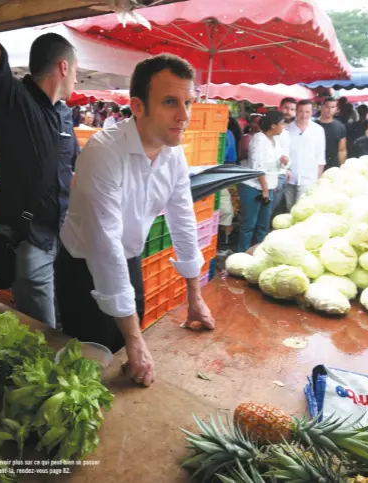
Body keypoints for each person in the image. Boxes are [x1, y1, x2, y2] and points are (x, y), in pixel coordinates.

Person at [56, 54, 215, 387]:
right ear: (138, 107)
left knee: (129, 349)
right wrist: (134, 339)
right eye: (171, 102)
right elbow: (104, 244)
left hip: (128, 257)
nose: (184, 116)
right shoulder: (104, 151)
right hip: (83, 265)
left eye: (188, 102)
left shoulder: (173, 154)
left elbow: (183, 219)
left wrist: (194, 295)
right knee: (90, 361)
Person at [0, 0, 78, 329]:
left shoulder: (64, 116)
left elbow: (74, 173)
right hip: (29, 244)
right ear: (64, 67)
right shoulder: (12, 99)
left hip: (61, 240)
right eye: (77, 71)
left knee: (62, 325)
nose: (77, 81)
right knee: (42, 332)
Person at [238, 111, 288, 253]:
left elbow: (278, 165)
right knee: (249, 225)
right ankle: (242, 254)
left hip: (269, 186)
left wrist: (284, 162)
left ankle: (258, 254)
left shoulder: (275, 142)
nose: (283, 127)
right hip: (253, 187)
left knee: (262, 225)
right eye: (282, 123)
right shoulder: (259, 139)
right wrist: (265, 190)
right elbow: (257, 167)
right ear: (273, 126)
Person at [284, 99, 325, 211]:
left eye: (307, 112)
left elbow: (320, 157)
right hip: (289, 176)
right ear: (296, 111)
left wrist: (318, 179)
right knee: (289, 208)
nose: (304, 115)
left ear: (312, 112)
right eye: (301, 111)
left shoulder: (318, 130)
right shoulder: (286, 129)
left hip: (309, 177)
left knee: (302, 209)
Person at [316, 97, 347, 169]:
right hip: (315, 165)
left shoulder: (340, 127)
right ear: (322, 107)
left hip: (333, 166)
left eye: (333, 107)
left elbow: (342, 150)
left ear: (336, 109)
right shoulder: (313, 126)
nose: (329, 110)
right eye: (327, 107)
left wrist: (342, 167)